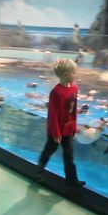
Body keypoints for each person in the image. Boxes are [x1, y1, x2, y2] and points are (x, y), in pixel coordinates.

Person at [37, 59, 86, 187]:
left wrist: (74, 126)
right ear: (65, 75)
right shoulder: (55, 93)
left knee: (69, 154)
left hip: (68, 129)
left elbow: (74, 109)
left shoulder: (74, 88)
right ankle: (40, 168)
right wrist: (56, 133)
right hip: (56, 130)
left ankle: (71, 179)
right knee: (50, 149)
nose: (76, 75)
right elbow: (52, 115)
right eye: (74, 73)